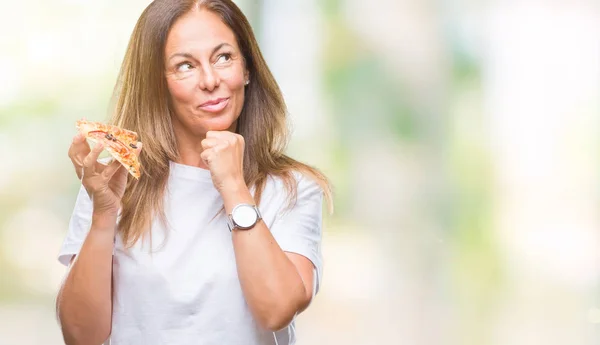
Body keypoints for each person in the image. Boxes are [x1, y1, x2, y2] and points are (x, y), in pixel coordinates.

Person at [55, 1, 332, 344]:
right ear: (159, 84)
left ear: (247, 68)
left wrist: (233, 186)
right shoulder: (114, 181)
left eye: (223, 57)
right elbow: (81, 336)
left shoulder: (292, 188)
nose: (211, 80)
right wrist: (103, 214)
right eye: (185, 65)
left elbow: (277, 310)